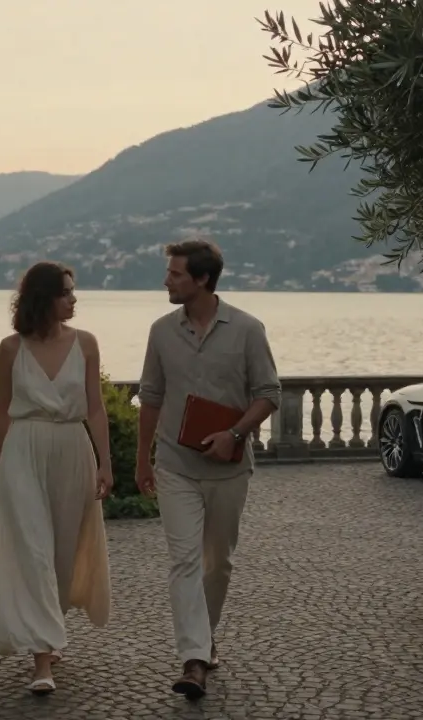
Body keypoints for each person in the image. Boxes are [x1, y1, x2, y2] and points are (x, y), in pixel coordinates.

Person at [134, 239, 281, 700]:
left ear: (202, 279)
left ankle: (204, 637)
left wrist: (234, 435)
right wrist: (142, 459)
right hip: (174, 465)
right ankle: (194, 659)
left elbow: (269, 393)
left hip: (228, 470)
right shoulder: (160, 331)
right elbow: (151, 397)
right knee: (183, 561)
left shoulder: (248, 329)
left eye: (176, 274)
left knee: (216, 565)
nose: (166, 281)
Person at [0, 261, 113, 695]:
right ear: (44, 298)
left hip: (71, 449)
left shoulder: (87, 343)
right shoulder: (10, 348)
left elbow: (95, 408)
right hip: (23, 450)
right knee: (35, 550)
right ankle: (42, 664)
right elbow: (3, 412)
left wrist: (105, 462)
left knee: (61, 550)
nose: (74, 299)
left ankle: (49, 630)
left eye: (73, 291)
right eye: (65, 293)